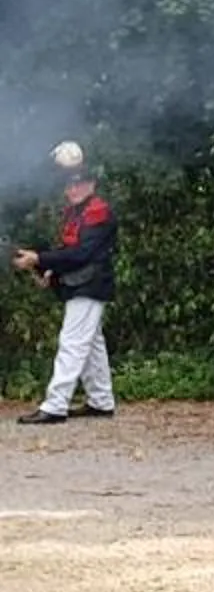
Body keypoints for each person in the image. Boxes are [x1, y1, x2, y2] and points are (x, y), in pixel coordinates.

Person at [15, 141, 118, 423]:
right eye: (70, 185)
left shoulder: (97, 211)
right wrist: (49, 270)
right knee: (92, 344)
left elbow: (82, 254)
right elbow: (68, 250)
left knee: (72, 342)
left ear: (91, 185)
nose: (73, 189)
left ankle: (55, 405)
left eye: (79, 184)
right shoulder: (78, 213)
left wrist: (39, 259)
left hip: (90, 284)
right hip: (80, 283)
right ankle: (101, 400)